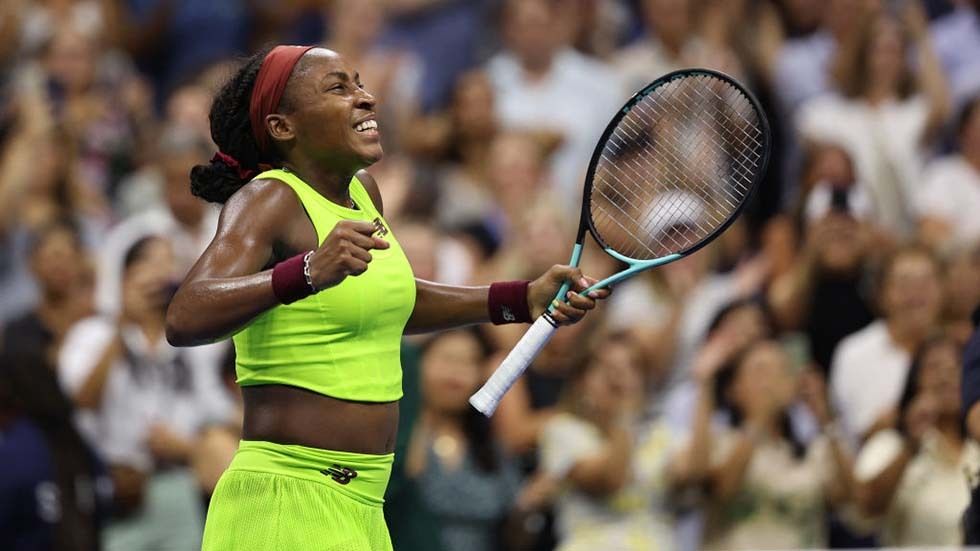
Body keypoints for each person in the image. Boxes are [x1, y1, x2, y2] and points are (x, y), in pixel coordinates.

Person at [164, 45, 608, 550]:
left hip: (363, 507)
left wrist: (520, 299)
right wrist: (306, 272)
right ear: (283, 126)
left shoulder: (363, 192)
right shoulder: (270, 197)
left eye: (359, 84)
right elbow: (185, 314)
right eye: (338, 89)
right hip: (286, 502)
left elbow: (393, 299)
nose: (365, 98)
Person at [693, 339, 854, 550]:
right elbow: (722, 489)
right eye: (761, 371)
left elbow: (850, 497)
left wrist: (826, 420)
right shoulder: (719, 441)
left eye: (782, 370)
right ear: (734, 389)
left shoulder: (812, 450)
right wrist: (758, 420)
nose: (773, 380)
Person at [853, 334, 980, 546]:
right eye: (934, 367)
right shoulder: (890, 444)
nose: (946, 376)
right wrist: (910, 446)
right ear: (915, 380)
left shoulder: (976, 448)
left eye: (956, 366)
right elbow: (865, 509)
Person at [405, 328, 521, 551]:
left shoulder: (492, 446)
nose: (456, 372)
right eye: (447, 359)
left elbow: (515, 535)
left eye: (469, 362)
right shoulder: (397, 436)